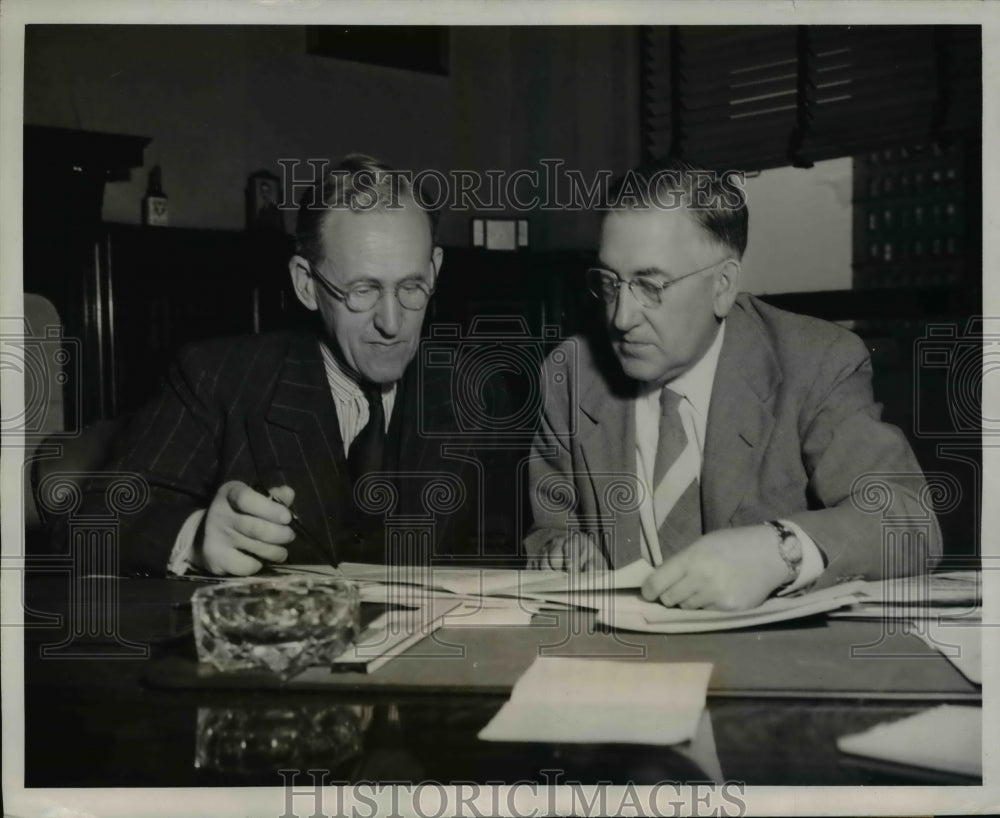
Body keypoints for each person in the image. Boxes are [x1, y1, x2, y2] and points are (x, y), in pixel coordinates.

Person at [525, 159, 941, 610]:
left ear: (722, 285)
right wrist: (558, 550)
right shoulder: (573, 373)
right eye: (609, 283)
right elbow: (551, 529)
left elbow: (908, 522)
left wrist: (780, 549)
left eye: (651, 285)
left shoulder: (814, 363)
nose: (622, 318)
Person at [76, 154, 514, 576]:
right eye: (362, 291)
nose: (392, 322)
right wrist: (193, 539)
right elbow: (91, 522)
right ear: (306, 284)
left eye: (412, 287)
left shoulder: (477, 393)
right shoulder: (218, 378)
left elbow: (500, 550)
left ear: (434, 271)